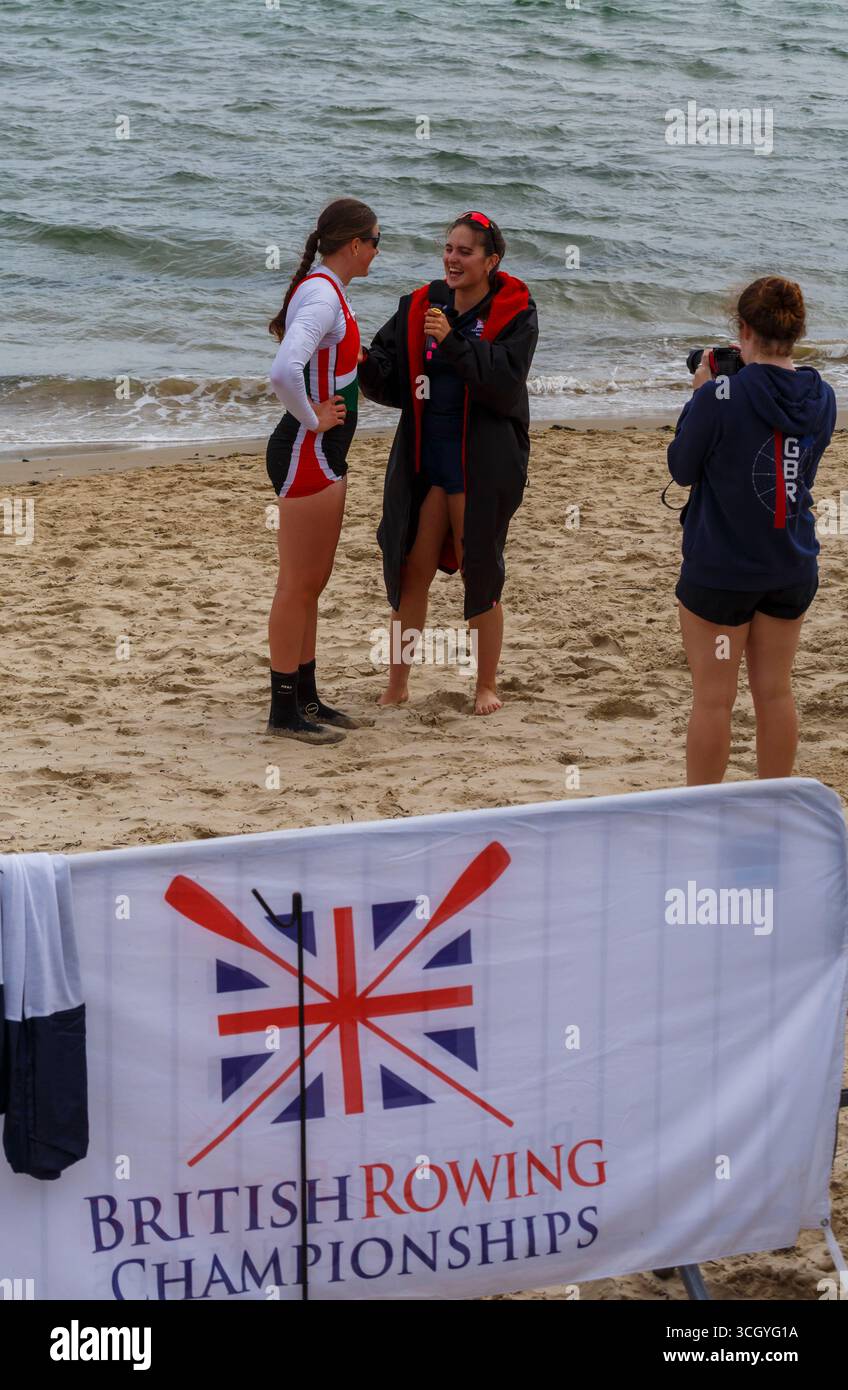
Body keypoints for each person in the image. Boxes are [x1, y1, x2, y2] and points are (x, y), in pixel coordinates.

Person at [358, 211, 538, 715]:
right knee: (410, 571)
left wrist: (454, 342)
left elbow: (505, 381)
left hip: (480, 461)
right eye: (448, 249)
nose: (452, 259)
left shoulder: (515, 310)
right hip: (425, 458)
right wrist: (363, 364)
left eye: (465, 251)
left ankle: (485, 686)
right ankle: (397, 683)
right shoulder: (420, 304)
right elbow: (392, 375)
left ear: (491, 260)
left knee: (482, 571)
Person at [667, 275, 837, 785]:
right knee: (776, 691)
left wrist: (700, 396)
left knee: (715, 700)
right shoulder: (822, 395)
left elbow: (682, 468)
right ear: (797, 331)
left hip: (722, 568)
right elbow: (799, 469)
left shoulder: (721, 395)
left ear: (742, 328)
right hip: (789, 561)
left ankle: (702, 812)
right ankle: (774, 806)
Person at [265, 197, 380, 743]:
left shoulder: (330, 292)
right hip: (307, 453)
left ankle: (306, 697)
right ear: (354, 245)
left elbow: (316, 364)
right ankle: (283, 711)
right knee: (297, 585)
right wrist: (313, 419)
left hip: (322, 453)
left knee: (312, 584)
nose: (378, 251)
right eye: (376, 241)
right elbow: (283, 371)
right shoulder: (320, 294)